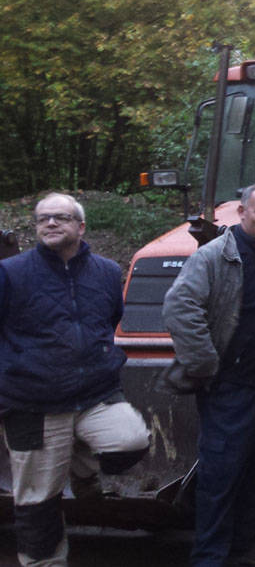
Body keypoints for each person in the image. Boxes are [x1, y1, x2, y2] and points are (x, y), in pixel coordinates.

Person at [0, 193, 151, 567]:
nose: (50, 224)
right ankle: (45, 562)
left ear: (80, 227)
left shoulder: (104, 271)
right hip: (33, 403)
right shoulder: (11, 273)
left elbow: (109, 318)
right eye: (42, 219)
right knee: (38, 498)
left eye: (60, 218)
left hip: (93, 395)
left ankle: (81, 466)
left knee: (131, 441)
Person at [163, 183, 255, 567]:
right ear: (242, 212)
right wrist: (206, 364)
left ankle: (244, 546)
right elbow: (179, 307)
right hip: (231, 388)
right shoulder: (215, 257)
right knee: (221, 475)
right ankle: (209, 556)